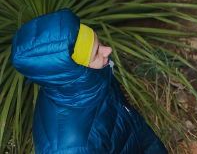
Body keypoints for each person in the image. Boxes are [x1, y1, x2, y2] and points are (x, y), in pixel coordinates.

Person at [11, 9, 166, 154]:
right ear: (74, 72)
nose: (108, 50)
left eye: (99, 44)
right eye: (96, 53)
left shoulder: (89, 79)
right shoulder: (69, 148)